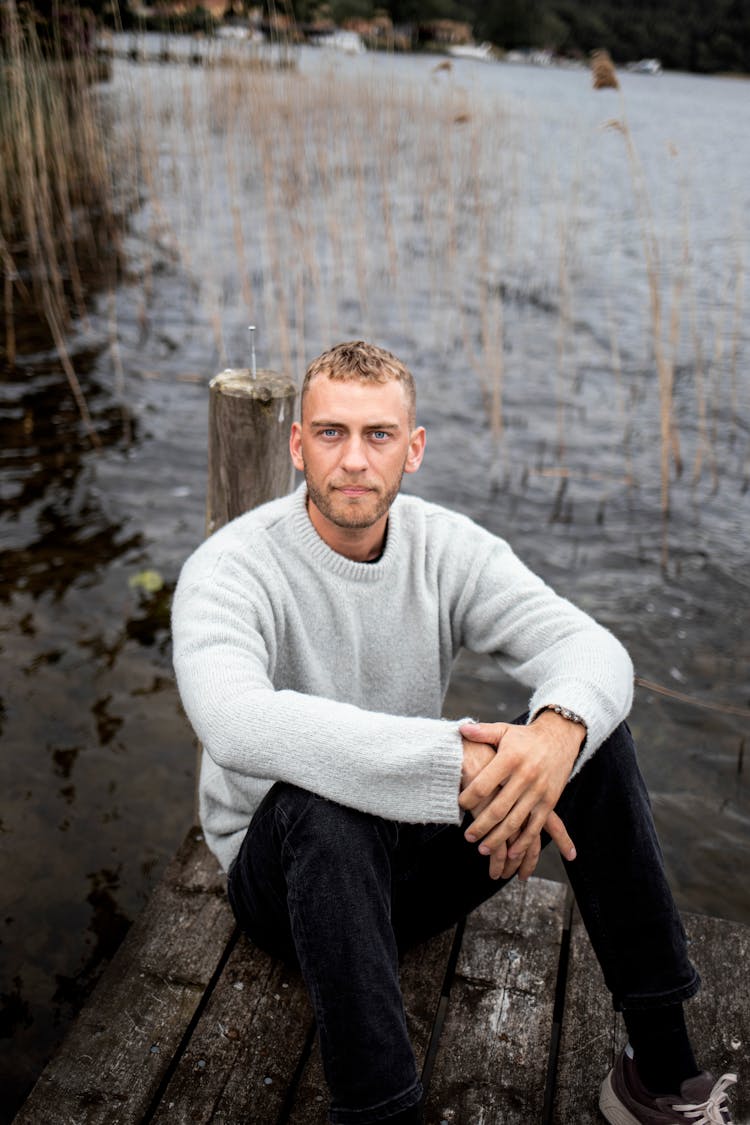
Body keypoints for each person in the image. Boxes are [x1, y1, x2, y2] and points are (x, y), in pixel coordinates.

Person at [172, 341, 737, 1124]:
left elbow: (595, 650)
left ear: (415, 448)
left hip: (409, 862)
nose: (356, 460)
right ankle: (383, 1112)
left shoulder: (447, 548)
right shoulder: (230, 568)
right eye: (332, 433)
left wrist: (549, 740)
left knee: (590, 735)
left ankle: (660, 1073)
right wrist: (458, 762)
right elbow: (235, 721)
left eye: (379, 435)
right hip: (288, 882)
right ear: (297, 445)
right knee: (320, 804)